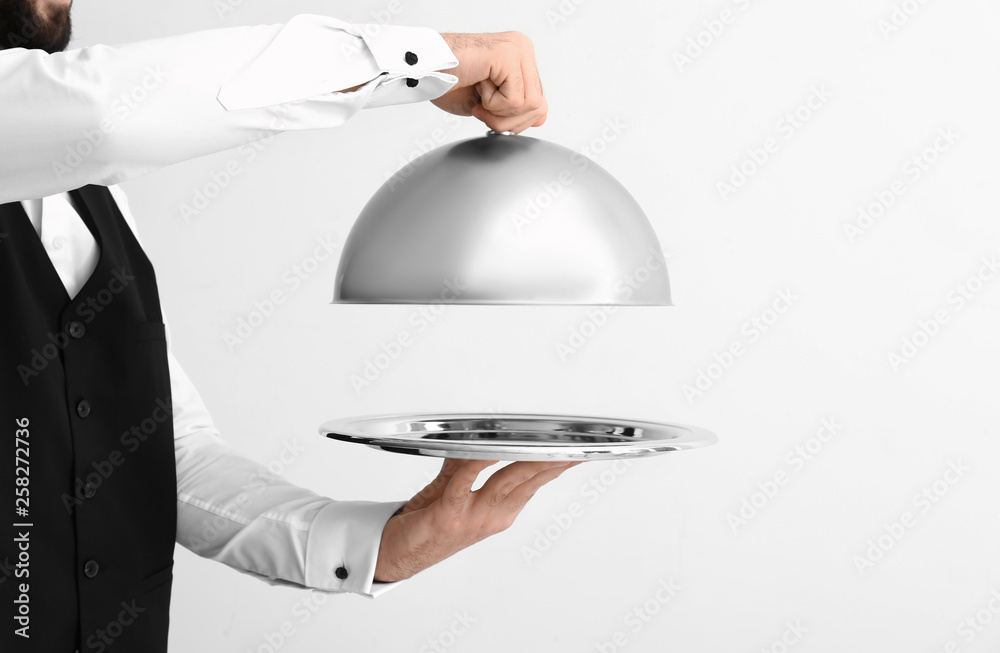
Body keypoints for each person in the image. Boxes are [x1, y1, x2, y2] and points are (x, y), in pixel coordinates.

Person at [0, 2, 578, 651]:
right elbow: (106, 113)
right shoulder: (68, 125)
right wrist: (423, 61)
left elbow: (166, 452)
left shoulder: (93, 197)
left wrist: (374, 544)